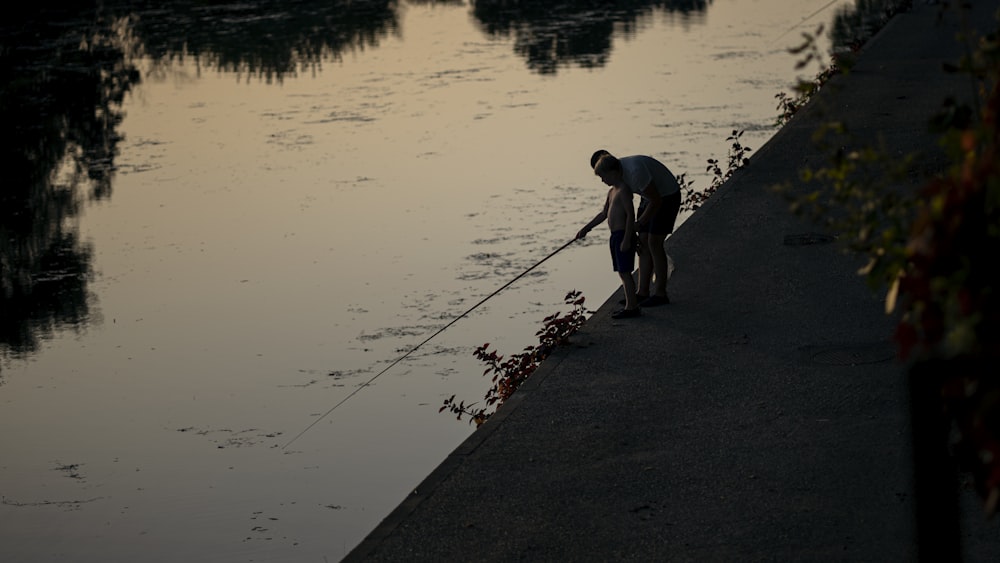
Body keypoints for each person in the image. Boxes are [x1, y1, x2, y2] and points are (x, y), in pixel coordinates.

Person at [588, 150, 680, 307]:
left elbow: (656, 200)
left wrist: (640, 223)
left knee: (654, 242)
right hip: (648, 197)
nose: (603, 180)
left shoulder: (635, 171)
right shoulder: (618, 178)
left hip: (667, 195)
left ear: (611, 170)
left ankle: (660, 294)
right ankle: (642, 293)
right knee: (643, 243)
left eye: (603, 176)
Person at [575, 155, 641, 319]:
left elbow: (630, 215)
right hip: (614, 236)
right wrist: (586, 228)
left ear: (614, 172)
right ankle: (630, 304)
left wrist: (627, 238)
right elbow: (604, 213)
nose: (603, 180)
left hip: (623, 235)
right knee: (621, 272)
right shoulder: (611, 192)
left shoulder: (624, 190)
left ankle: (632, 307)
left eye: (604, 176)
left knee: (625, 272)